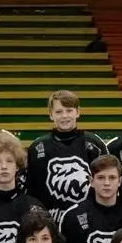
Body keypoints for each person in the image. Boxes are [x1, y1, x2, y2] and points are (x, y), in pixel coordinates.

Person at [25, 90, 107, 220]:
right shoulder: (37, 148)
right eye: (59, 112)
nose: (64, 116)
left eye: (69, 110)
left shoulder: (94, 144)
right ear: (51, 114)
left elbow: (106, 183)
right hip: (50, 221)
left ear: (78, 112)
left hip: (89, 219)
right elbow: (31, 190)